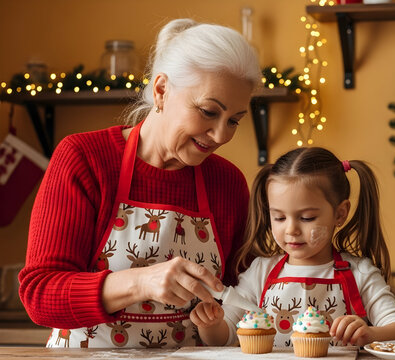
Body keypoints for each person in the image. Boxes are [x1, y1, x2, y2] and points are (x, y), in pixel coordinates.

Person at [18, 18, 261, 348]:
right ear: (161, 90)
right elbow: (40, 295)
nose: (221, 135)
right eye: (208, 111)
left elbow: (244, 299)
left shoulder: (228, 182)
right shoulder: (84, 158)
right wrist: (142, 281)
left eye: (234, 120)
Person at [189, 147, 395, 347]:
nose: (291, 230)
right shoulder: (260, 271)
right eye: (279, 218)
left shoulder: (361, 273)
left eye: (307, 218)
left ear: (340, 213)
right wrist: (210, 325)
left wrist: (371, 333)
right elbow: (226, 334)